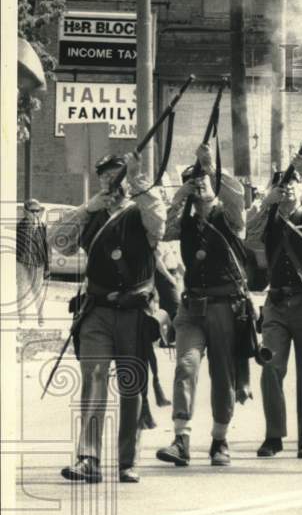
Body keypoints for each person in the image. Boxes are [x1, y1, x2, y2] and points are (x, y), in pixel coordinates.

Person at [50, 153, 166, 483]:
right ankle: (88, 458)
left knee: (132, 386)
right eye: (104, 177)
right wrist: (88, 207)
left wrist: (139, 182)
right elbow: (58, 242)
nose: (109, 183)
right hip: (97, 310)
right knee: (94, 379)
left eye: (115, 177)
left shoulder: (142, 210)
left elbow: (159, 221)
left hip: (133, 310)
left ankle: (128, 461)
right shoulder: (92, 214)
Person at [156, 144, 249, 469]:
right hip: (192, 306)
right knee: (186, 367)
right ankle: (181, 438)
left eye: (203, 185)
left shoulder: (229, 217)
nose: (199, 190)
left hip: (225, 305)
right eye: (194, 185)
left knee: (223, 374)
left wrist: (211, 171)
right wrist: (181, 193)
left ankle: (220, 439)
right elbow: (160, 228)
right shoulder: (184, 221)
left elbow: (237, 200)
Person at [247, 155, 302, 459]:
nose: (286, 190)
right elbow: (247, 233)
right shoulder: (267, 217)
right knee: (270, 366)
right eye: (280, 185)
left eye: (291, 184)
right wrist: (264, 202)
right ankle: (274, 436)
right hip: (276, 303)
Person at [16, 198, 49, 326]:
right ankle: (21, 318)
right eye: (32, 211)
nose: (35, 213)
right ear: (25, 212)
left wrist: (47, 268)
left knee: (37, 291)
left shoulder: (42, 226)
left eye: (38, 211)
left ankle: (40, 316)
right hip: (22, 262)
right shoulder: (20, 226)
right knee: (22, 289)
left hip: (38, 263)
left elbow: (46, 248)